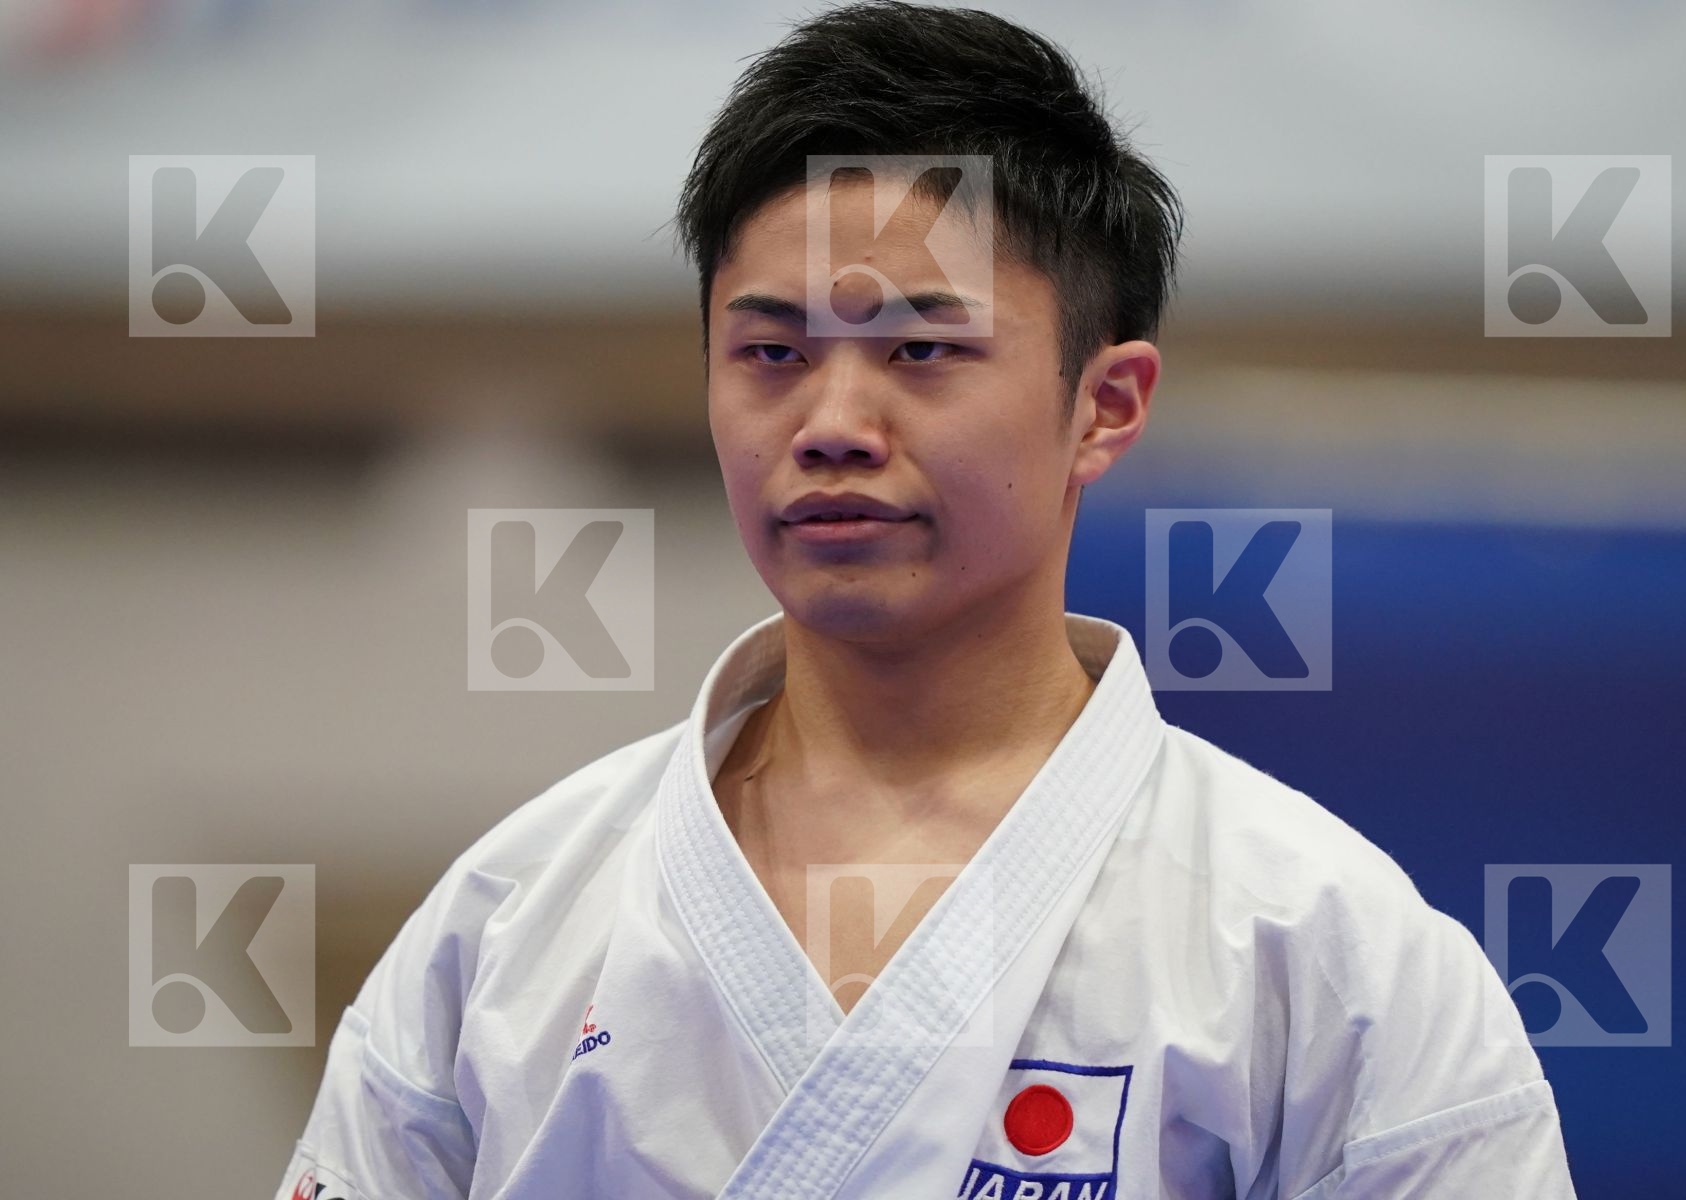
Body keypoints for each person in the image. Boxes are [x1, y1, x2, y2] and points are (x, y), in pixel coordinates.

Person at [275, 3, 1578, 1196]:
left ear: (1104, 405)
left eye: (920, 348)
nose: (832, 423)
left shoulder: (1323, 950)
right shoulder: (509, 921)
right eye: (771, 351)